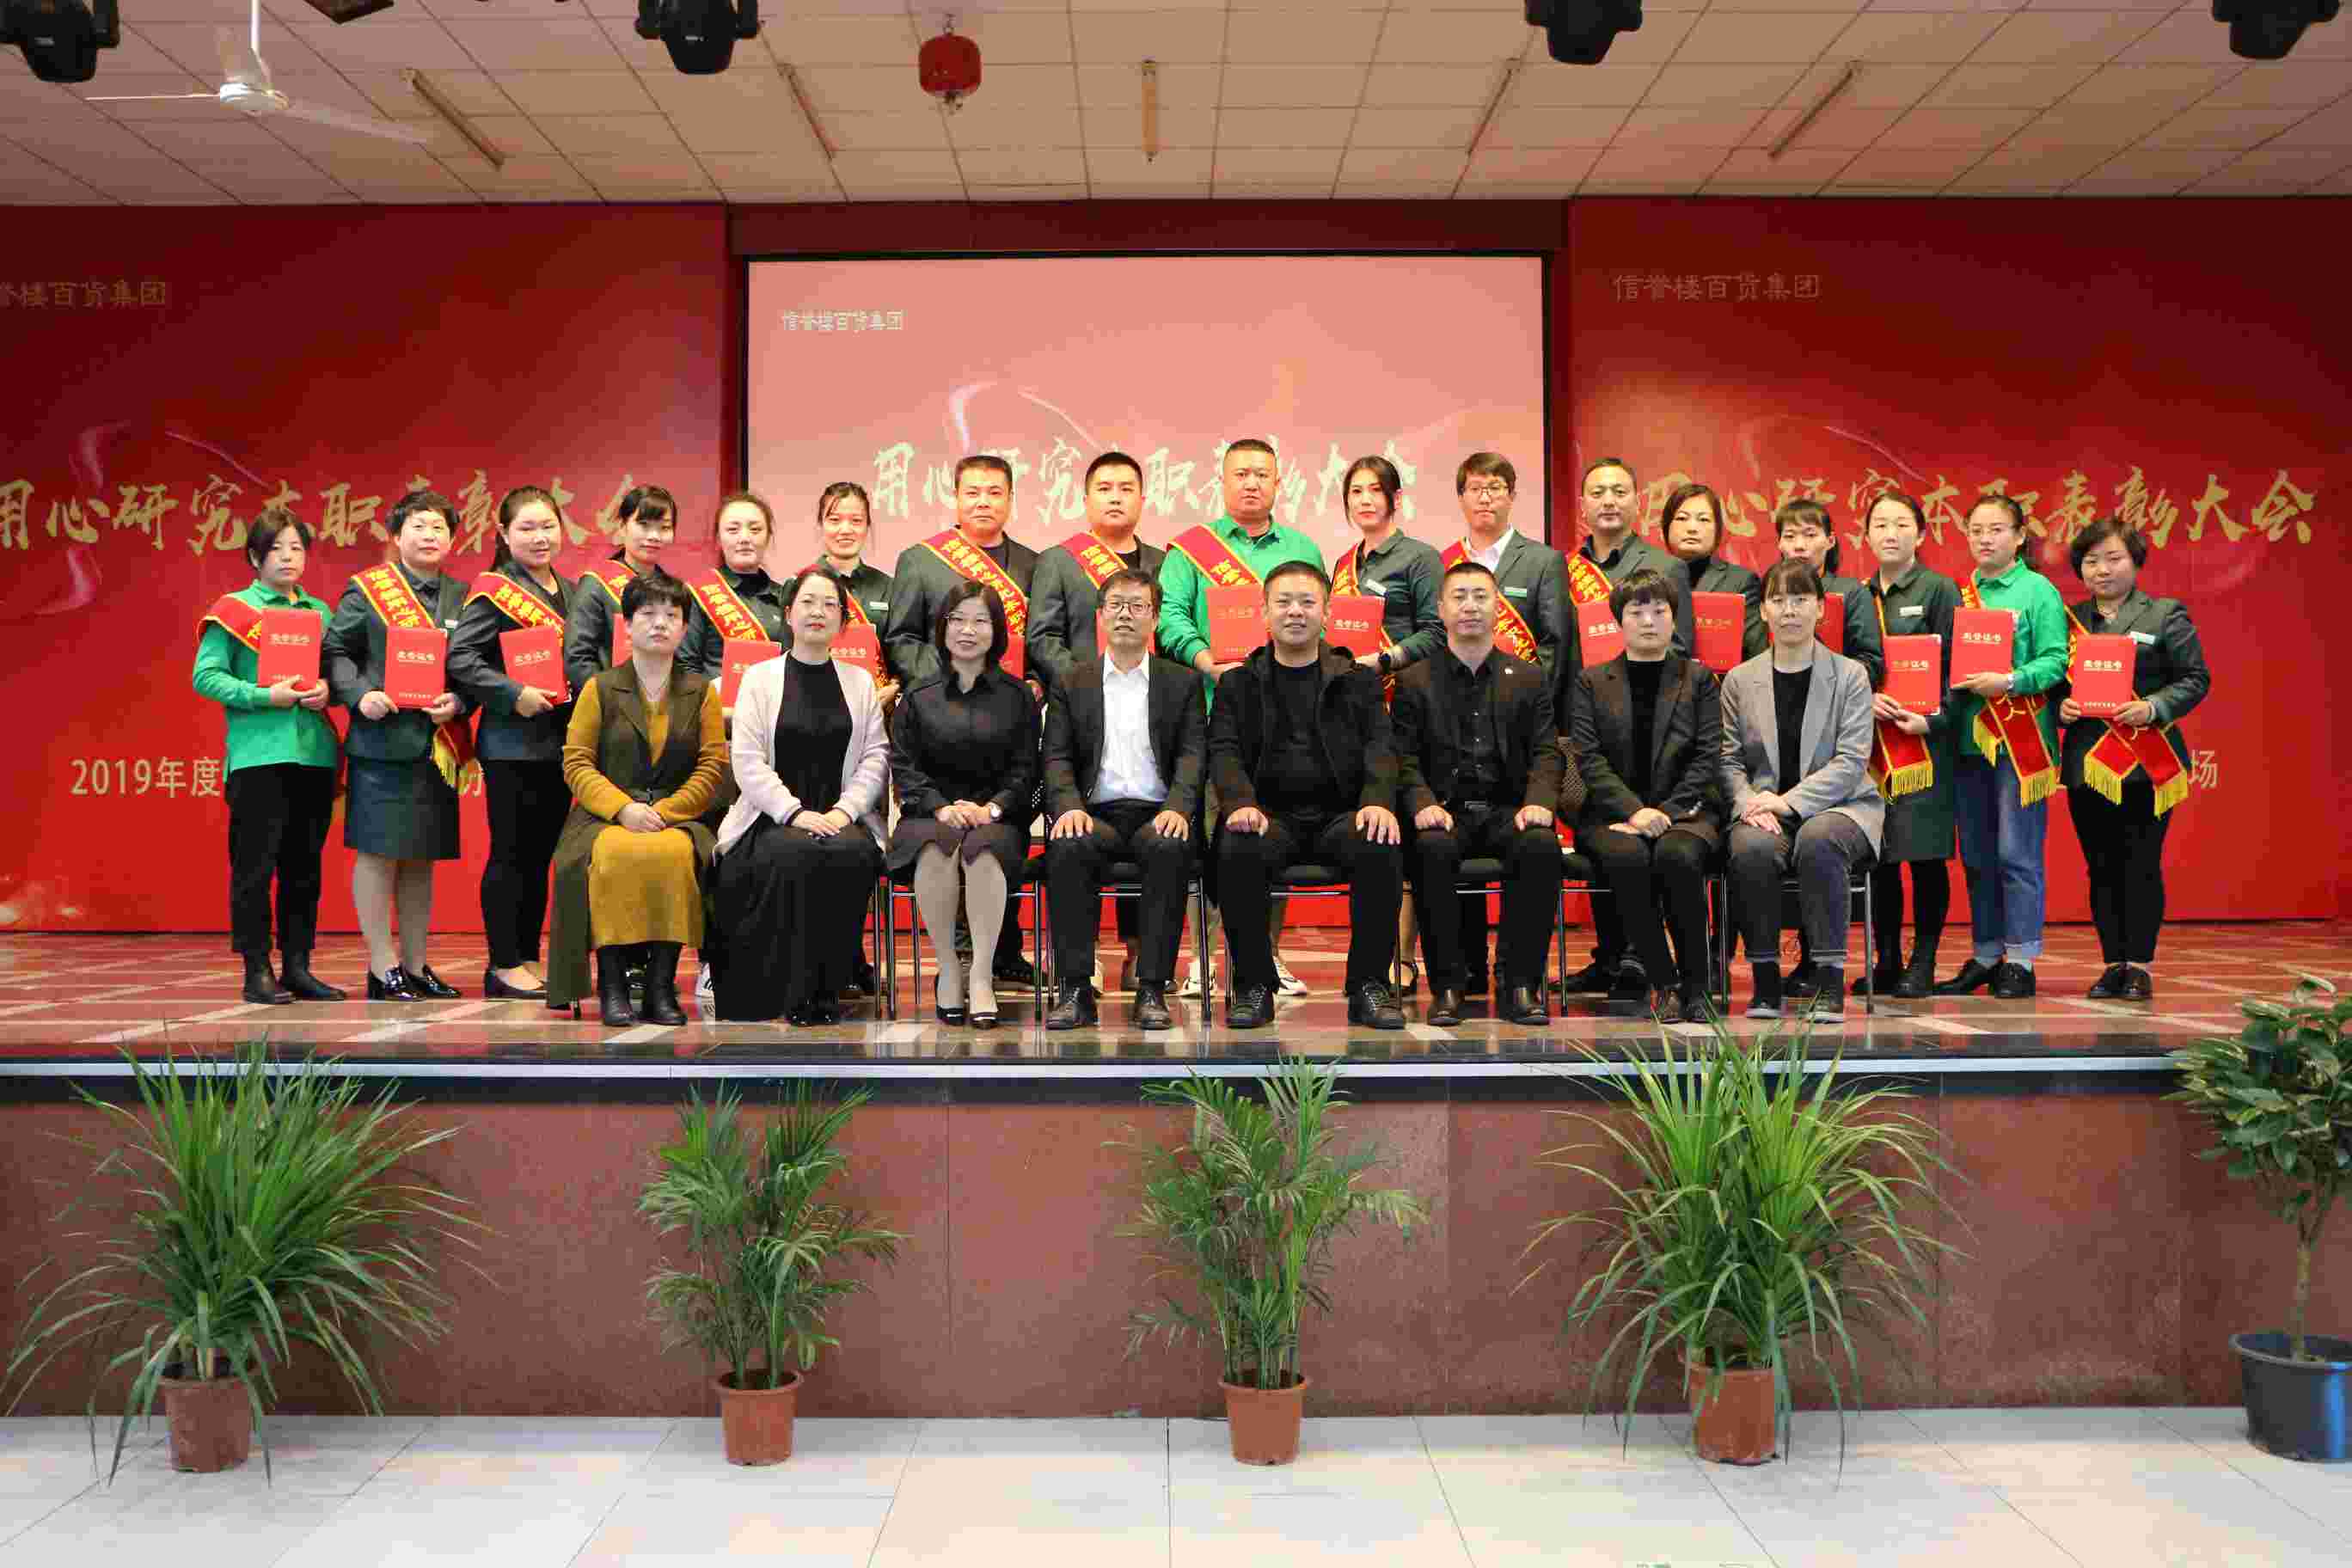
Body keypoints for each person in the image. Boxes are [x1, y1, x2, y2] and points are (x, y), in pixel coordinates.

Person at [1157, 438, 1326, 1001]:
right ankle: (1202, 959)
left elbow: (1317, 622)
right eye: (1240, 474)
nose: (1251, 483)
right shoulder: (1191, 550)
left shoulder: (1302, 548)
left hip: (1285, 717)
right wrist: (1207, 660)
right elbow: (1170, 616)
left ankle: (1266, 956)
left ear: (1278, 483)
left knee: (1268, 834)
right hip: (1207, 710)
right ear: (1223, 482)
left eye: (1261, 474)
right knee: (1210, 838)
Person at [1207, 560, 1405, 1031]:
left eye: (1307, 602)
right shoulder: (1238, 683)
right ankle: (1254, 985)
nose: (1295, 611)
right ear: (1264, 612)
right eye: (1284, 602)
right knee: (1237, 845)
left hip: (1341, 816)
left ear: (1327, 613)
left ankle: (1369, 985)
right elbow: (1224, 751)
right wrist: (1240, 803)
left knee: (1380, 842)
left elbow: (1381, 747)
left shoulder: (1357, 679)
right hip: (1268, 817)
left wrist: (1377, 801)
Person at [882, 455, 1043, 995]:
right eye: (972, 491)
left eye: (995, 492)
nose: (983, 501)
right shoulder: (920, 560)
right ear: (954, 497)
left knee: (997, 832)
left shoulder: (1033, 564)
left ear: (1011, 499)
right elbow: (901, 636)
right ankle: (960, 961)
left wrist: (1025, 684)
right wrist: (946, 685)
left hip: (1006, 716)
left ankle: (1002, 956)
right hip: (939, 721)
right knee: (943, 843)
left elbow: (1040, 638)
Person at [547, 568, 726, 1026]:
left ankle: (661, 988)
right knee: (612, 853)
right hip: (605, 816)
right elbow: (577, 763)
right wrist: (623, 809)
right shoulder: (600, 688)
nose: (659, 623)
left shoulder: (701, 693)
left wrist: (666, 811)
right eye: (647, 614)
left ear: (684, 629)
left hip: (677, 817)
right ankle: (614, 987)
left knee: (675, 854)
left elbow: (712, 766)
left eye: (672, 615)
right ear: (626, 625)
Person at [712, 567, 891, 1025]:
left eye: (830, 604)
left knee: (851, 853)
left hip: (841, 817)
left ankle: (831, 985)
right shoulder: (759, 678)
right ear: (789, 613)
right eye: (808, 602)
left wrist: (844, 811)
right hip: (770, 818)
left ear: (843, 620)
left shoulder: (860, 682)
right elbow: (747, 761)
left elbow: (875, 756)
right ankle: (795, 993)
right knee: (796, 855)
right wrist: (793, 813)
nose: (818, 612)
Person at [1392, 560, 1561, 1027]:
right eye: (1459, 597)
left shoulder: (1528, 677)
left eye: (1481, 597)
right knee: (1430, 849)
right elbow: (1402, 758)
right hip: (1445, 811)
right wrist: (1422, 803)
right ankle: (1448, 986)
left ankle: (1520, 983)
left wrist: (1539, 801)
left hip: (1508, 810)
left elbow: (1547, 751)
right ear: (1441, 609)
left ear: (1497, 608)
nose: (1470, 606)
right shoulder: (1414, 681)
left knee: (1540, 846)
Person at [324, 487, 476, 1001]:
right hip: (381, 743)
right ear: (395, 535)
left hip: (437, 746)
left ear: (452, 539)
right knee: (377, 854)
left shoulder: (463, 596)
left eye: (439, 528)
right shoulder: (368, 590)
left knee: (420, 858)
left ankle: (414, 964)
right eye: (418, 526)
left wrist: (461, 700)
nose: (429, 535)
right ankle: (381, 964)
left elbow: (473, 665)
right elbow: (335, 651)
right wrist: (360, 694)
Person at [1041, 567, 1208, 1032]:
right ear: (1100, 615)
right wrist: (1068, 807)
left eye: (1137, 606)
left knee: (1170, 847)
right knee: (1068, 846)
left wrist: (1178, 807)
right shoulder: (1073, 681)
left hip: (1158, 813)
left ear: (1154, 618)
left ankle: (1152, 988)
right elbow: (1055, 755)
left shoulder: (1182, 683)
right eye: (1116, 605)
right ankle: (1076, 989)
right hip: (1094, 812)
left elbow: (1193, 754)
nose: (1125, 615)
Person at [192, 505, 344, 1006]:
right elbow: (206, 676)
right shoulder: (233, 610)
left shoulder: (320, 612)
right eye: (276, 548)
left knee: (305, 869)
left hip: (314, 755)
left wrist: (326, 690)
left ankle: (298, 967)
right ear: (255, 557)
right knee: (255, 869)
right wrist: (264, 696)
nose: (287, 557)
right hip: (258, 756)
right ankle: (256, 969)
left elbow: (337, 673)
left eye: (296, 548)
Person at [1721, 559, 1883, 1020]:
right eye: (1778, 600)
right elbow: (1728, 760)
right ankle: (1765, 981)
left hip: (1842, 807)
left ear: (1821, 608)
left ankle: (1828, 981)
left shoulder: (1850, 675)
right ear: (1763, 612)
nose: (1789, 610)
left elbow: (1851, 762)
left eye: (1800, 599)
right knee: (1750, 847)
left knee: (1818, 839)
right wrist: (1748, 803)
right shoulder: (1739, 679)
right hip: (1761, 807)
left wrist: (1788, 803)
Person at [2060, 516, 2210, 1001]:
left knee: (2141, 864)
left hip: (2147, 763)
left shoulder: (2164, 614)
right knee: (2100, 866)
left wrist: (2153, 707)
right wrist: (2061, 707)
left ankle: (2140, 965)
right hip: (2089, 763)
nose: (2102, 570)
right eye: (2091, 561)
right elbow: (2055, 683)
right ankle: (2112, 964)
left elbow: (2195, 678)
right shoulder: (2068, 620)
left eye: (2114, 558)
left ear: (2136, 561)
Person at [1567, 567, 1725, 1024]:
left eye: (1660, 611)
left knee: (1677, 856)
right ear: (1619, 620)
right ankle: (1665, 982)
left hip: (1687, 812)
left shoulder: (1698, 680)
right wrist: (1635, 812)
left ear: (1675, 618)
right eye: (1637, 612)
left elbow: (1707, 757)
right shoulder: (1592, 681)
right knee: (1628, 857)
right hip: (1611, 815)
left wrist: (1665, 813)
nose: (1649, 621)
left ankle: (1698, 987)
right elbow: (1589, 759)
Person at [1438, 451, 1570, 1000]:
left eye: (1496, 487)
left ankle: (1520, 979)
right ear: (1461, 497)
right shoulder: (1445, 561)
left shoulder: (1542, 561)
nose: (1485, 497)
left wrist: (1521, 699)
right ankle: (1461, 972)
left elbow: (1556, 643)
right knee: (1437, 841)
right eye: (1475, 487)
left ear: (1513, 495)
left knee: (1534, 845)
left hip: (1515, 731)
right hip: (1452, 760)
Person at [889, 580, 1041, 1030]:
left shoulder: (1018, 697)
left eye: (980, 621)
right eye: (957, 620)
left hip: (997, 818)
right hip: (930, 816)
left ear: (997, 631)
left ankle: (982, 974)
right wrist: (940, 807)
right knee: (938, 846)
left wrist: (992, 808)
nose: (967, 630)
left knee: (982, 848)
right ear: (942, 627)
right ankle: (949, 968)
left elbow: (1027, 769)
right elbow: (904, 766)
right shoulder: (918, 696)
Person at [1936, 493, 2068, 1001]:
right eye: (1976, 530)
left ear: (2019, 536)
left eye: (1996, 530)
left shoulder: (2038, 591)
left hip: (2019, 742)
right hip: (1969, 742)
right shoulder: (1959, 593)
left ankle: (2021, 959)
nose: (1985, 539)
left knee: (2017, 854)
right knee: (1976, 855)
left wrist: (2010, 680)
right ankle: (1987, 955)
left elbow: (2056, 661)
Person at [449, 485, 574, 1003]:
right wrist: (512, 692)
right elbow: (461, 658)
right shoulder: (493, 590)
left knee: (541, 857)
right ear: (503, 532)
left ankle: (527, 957)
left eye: (548, 526)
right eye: (527, 528)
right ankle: (502, 964)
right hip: (512, 746)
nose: (540, 537)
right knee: (511, 855)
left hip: (562, 746)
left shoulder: (572, 591)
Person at [1332, 454, 1445, 995]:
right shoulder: (1343, 563)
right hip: (1359, 713)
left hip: (1408, 704)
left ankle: (1403, 955)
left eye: (1375, 490)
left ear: (1395, 499)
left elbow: (1437, 632)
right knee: (1372, 827)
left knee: (1402, 824)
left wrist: (1386, 659)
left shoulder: (1420, 558)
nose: (1365, 500)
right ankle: (1375, 955)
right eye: (1355, 491)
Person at [1859, 491, 1962, 999]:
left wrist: (1935, 720)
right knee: (1879, 859)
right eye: (1880, 524)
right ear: (1866, 535)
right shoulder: (1859, 595)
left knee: (1924, 858)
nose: (1890, 533)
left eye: (1902, 524)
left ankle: (1923, 962)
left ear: (1921, 534)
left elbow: (1961, 670)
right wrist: (1865, 699)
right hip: (1873, 746)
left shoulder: (1940, 590)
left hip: (1924, 745)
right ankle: (1886, 960)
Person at [1027, 450, 1167, 699]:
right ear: (1086, 500)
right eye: (1104, 489)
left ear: (1142, 500)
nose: (1115, 498)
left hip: (1153, 695)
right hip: (1083, 697)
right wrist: (1084, 681)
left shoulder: (1163, 562)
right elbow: (1043, 638)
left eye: (1126, 489)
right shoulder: (1057, 561)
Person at [564, 484, 707, 701]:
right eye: (644, 525)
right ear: (622, 527)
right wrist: (616, 702)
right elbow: (577, 659)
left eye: (664, 528)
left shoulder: (674, 591)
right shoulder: (596, 583)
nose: (654, 536)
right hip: (611, 707)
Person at [1773, 498, 1883, 686]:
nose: (1799, 545)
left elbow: (1871, 662)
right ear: (1779, 543)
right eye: (1790, 536)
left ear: (1830, 541)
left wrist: (1825, 681)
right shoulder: (1769, 594)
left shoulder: (1852, 592)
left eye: (1810, 535)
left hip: (1836, 696)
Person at [1661, 481, 1764, 660]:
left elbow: (1756, 654)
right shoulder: (1649, 578)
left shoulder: (1741, 582)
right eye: (1682, 518)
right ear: (1666, 528)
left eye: (1704, 519)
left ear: (1718, 531)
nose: (1692, 528)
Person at [812, 480, 897, 637]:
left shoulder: (889, 588)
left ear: (867, 526)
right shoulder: (800, 584)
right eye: (835, 520)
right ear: (821, 525)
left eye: (856, 521)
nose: (845, 530)